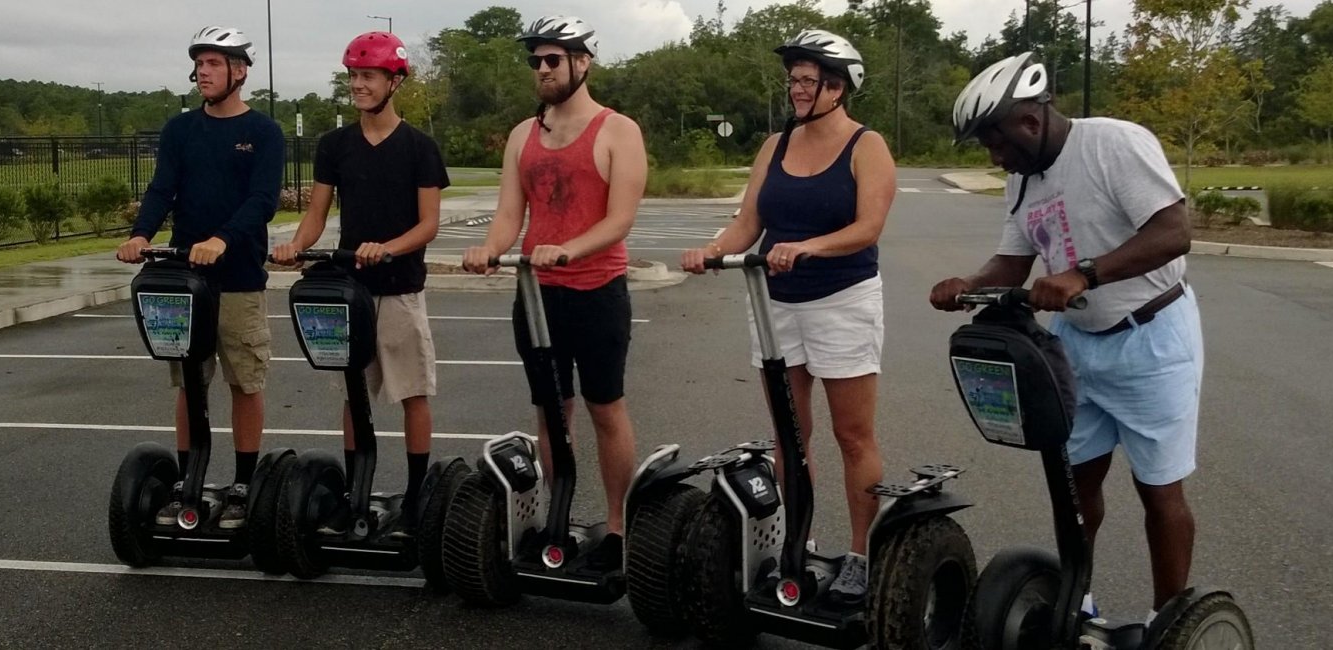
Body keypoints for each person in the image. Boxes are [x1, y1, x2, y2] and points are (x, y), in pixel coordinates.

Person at [929, 52, 1201, 622]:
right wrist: (970, 285)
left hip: (1150, 337)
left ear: (1030, 121)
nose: (994, 157)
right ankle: (1078, 601)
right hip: (1075, 342)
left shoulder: (1113, 145)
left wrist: (1085, 274)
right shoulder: (1022, 181)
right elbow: (1013, 260)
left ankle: (1168, 621)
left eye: (996, 142)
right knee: (1075, 483)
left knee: (1159, 490)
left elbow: (1173, 231)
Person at [679, 29, 894, 606]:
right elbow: (749, 222)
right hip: (775, 302)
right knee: (791, 434)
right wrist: (712, 250)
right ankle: (797, 543)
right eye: (793, 79)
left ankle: (861, 555)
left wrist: (808, 247)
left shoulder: (866, 145)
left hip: (843, 300)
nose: (797, 89)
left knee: (853, 435)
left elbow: (868, 227)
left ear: (837, 86)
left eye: (808, 80)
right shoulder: (775, 145)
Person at [461, 15, 648, 570]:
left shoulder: (618, 130)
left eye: (553, 59)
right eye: (536, 61)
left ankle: (617, 528)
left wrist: (569, 248)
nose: (542, 69)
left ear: (582, 63)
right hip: (538, 295)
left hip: (598, 291)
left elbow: (620, 220)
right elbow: (507, 216)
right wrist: (488, 249)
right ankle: (556, 519)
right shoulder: (523, 134)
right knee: (550, 410)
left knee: (604, 408)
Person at [271, 31, 449, 536]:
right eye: (352, 76)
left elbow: (429, 225)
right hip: (351, 291)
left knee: (413, 392)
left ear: (395, 82)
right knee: (354, 394)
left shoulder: (419, 148)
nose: (357, 85)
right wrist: (295, 245)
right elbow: (316, 214)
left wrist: (388, 247)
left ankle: (416, 496)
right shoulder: (336, 146)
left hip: (399, 288)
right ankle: (356, 493)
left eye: (368, 76)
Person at [117, 25, 285, 530]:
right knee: (190, 382)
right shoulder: (180, 130)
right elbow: (161, 188)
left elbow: (263, 201)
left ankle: (243, 483)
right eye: (199, 64)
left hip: (238, 277)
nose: (203, 73)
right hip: (185, 279)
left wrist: (222, 239)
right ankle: (188, 480)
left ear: (240, 71)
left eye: (214, 64)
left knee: (243, 381)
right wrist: (141, 234)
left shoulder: (263, 132)